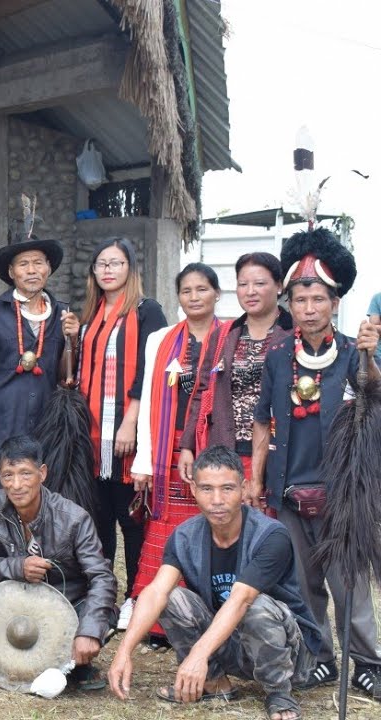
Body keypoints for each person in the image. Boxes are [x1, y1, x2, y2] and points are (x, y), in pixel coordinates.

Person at [252, 227, 381, 695]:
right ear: (289, 304)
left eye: (318, 299)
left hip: (343, 493)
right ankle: (320, 655)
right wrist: (256, 479)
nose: (308, 309)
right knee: (305, 585)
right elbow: (263, 422)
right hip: (289, 490)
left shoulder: (352, 353)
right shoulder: (278, 356)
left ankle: (367, 660)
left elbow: (374, 395)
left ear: (335, 302)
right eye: (300, 300)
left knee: (350, 587)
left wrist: (370, 353)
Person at [109, 446, 321, 720]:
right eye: (207, 489)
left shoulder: (271, 535)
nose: (217, 499)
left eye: (227, 488)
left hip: (288, 653)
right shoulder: (184, 536)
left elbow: (241, 599)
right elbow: (156, 592)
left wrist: (197, 654)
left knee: (255, 606)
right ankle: (213, 682)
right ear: (194, 490)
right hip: (231, 643)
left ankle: (279, 693)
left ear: (244, 490)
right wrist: (124, 651)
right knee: (171, 597)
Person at [62, 237, 166, 627]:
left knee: (132, 517)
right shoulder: (92, 313)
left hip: (126, 429)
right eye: (101, 263)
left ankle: (136, 597)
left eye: (116, 263)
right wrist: (73, 336)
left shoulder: (146, 310)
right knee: (98, 516)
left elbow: (150, 368)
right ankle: (101, 593)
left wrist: (131, 421)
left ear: (130, 269)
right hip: (91, 433)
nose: (108, 270)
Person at [0, 434, 117, 690]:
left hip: (67, 601)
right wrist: (18, 567)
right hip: (15, 604)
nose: (16, 484)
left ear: (42, 473)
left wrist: (89, 631)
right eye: (8, 475)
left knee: (99, 616)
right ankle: (5, 653)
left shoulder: (73, 518)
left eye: (25, 474)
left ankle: (78, 663)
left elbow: (102, 577)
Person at [127, 263, 221, 645]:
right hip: (168, 451)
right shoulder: (161, 339)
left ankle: (208, 616)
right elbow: (150, 400)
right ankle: (160, 622)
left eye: (202, 289)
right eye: (186, 291)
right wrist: (144, 461)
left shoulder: (230, 336)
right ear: (178, 297)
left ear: (216, 293)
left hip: (214, 453)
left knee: (213, 533)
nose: (194, 297)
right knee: (168, 534)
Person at [178, 253, 292, 499]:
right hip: (228, 452)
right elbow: (202, 391)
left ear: (279, 286)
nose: (250, 291)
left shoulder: (294, 334)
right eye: (243, 284)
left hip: (279, 455)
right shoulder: (225, 335)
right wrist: (187, 446)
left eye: (260, 284)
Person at [0, 236, 69, 499]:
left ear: (49, 268)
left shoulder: (62, 314)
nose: (31, 270)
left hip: (45, 431)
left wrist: (72, 340)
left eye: (38, 263)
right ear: (11, 272)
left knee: (41, 508)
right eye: (23, 264)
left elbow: (66, 376)